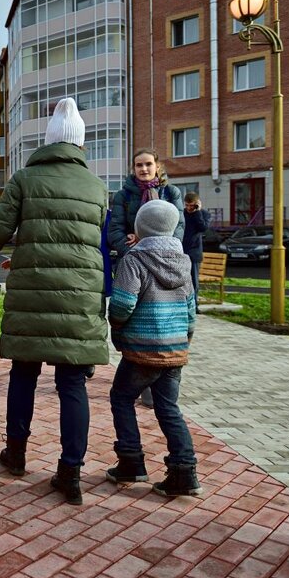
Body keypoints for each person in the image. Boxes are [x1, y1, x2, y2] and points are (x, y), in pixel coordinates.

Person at [0, 97, 108, 506]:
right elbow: (85, 240)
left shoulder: (24, 179)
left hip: (32, 293)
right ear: (80, 144)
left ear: (49, 140)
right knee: (72, 383)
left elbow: (0, 230)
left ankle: (16, 454)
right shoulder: (97, 188)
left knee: (24, 374)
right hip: (80, 295)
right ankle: (71, 472)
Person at [106, 199, 202, 498]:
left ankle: (131, 462)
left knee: (121, 398)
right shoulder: (184, 262)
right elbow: (191, 311)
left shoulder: (133, 260)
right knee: (168, 408)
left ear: (140, 228)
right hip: (174, 350)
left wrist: (116, 325)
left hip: (141, 350)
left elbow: (122, 304)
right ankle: (185, 473)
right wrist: (183, 342)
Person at [107, 149, 184, 408]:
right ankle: (141, 378)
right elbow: (115, 231)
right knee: (138, 319)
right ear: (133, 168)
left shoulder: (171, 192)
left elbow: (178, 226)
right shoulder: (124, 196)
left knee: (164, 319)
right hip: (134, 265)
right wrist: (134, 250)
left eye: (148, 164)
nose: (143, 169)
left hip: (167, 264)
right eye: (138, 165)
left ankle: (163, 384)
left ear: (157, 166)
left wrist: (156, 245)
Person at [182, 192, 211, 309]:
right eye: (187, 205)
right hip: (181, 251)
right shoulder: (182, 213)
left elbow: (203, 228)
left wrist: (197, 212)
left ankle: (194, 305)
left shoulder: (203, 214)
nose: (189, 208)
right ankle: (183, 304)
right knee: (181, 280)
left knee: (194, 281)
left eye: (191, 205)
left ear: (197, 204)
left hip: (194, 253)